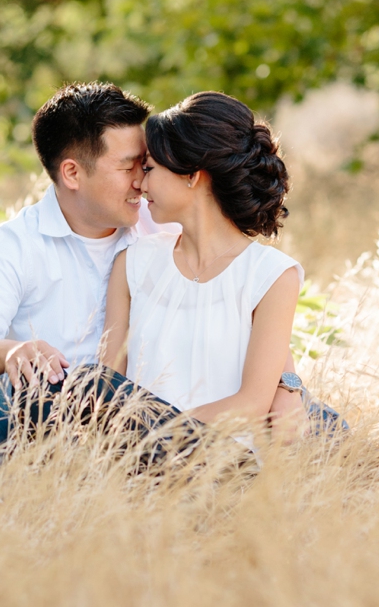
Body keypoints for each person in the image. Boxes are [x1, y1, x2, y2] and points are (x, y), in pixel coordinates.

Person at [0, 81, 307, 457]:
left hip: (179, 413)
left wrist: (286, 384)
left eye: (148, 165)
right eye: (129, 167)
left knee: (316, 421)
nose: (140, 183)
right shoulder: (21, 244)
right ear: (73, 174)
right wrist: (12, 352)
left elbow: (239, 292)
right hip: (81, 407)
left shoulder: (162, 216)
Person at [99, 91, 308, 439]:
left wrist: (152, 435)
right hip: (131, 465)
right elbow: (108, 385)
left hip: (225, 463)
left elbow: (251, 404)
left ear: (192, 176)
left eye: (149, 169)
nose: (140, 182)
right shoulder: (132, 263)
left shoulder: (272, 275)